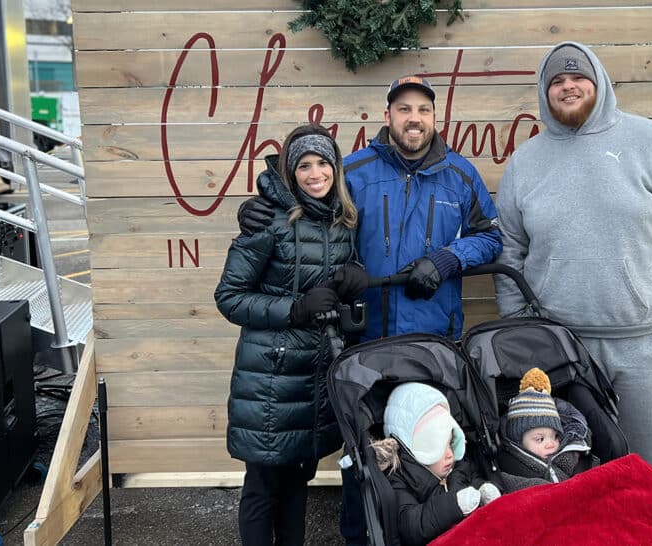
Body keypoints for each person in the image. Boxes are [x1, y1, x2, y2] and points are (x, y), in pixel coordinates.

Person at [238, 75, 503, 544]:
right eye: (404, 109)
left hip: (432, 343)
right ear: (388, 116)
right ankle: (358, 537)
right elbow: (309, 211)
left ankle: (430, 531)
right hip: (364, 339)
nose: (414, 118)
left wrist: (448, 259)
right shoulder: (356, 170)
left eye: (423, 109)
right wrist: (257, 210)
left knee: (430, 445)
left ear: (435, 116)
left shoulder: (460, 175)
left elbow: (491, 237)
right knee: (364, 452)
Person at [493, 41, 652, 521]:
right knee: (573, 476)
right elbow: (509, 252)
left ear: (599, 83)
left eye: (578, 77)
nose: (568, 87)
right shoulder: (525, 163)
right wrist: (520, 329)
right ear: (544, 92)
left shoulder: (651, 143)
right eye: (557, 80)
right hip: (562, 353)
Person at [214, 124, 367, 546]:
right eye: (304, 166)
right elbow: (229, 297)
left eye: (323, 163)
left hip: (314, 378)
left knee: (298, 483)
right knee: (263, 487)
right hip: (270, 379)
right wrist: (294, 309)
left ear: (336, 168)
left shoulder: (343, 221)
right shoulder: (269, 221)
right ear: (290, 172)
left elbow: (329, 284)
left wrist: (353, 274)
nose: (315, 174)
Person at [370, 383, 501, 546]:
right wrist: (454, 504)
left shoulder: (459, 465)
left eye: (451, 443)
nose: (450, 454)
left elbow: (473, 479)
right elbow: (411, 526)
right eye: (439, 446)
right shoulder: (400, 479)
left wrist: (483, 489)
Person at [497, 368, 594, 492]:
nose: (551, 444)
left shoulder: (574, 456)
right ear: (518, 442)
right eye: (540, 439)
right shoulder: (511, 468)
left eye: (556, 436)